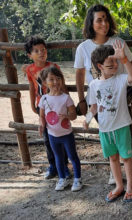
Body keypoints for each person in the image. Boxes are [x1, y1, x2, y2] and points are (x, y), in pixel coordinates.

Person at [74, 4, 132, 184]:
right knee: (109, 133)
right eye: (99, 20)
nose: (104, 23)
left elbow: (131, 69)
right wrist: (81, 100)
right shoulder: (83, 48)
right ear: (91, 23)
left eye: (106, 19)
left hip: (122, 96)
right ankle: (116, 171)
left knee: (127, 134)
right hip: (98, 98)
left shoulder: (118, 42)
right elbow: (79, 75)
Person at [84, 41, 132, 202]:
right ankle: (119, 186)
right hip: (105, 130)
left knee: (126, 158)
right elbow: (93, 107)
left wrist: (124, 60)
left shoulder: (120, 79)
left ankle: (130, 186)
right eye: (110, 64)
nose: (115, 65)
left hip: (121, 127)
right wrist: (87, 120)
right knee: (113, 158)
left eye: (115, 61)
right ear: (99, 66)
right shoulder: (93, 85)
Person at [23, 36, 70, 180]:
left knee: (61, 134)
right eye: (37, 51)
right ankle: (52, 166)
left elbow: (62, 84)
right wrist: (33, 104)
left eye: (43, 50)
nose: (41, 53)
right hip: (42, 107)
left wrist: (68, 103)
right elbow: (32, 87)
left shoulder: (53, 67)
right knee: (47, 137)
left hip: (57, 105)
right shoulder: (30, 69)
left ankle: (64, 166)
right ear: (30, 55)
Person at [38, 66, 82, 192]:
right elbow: (41, 115)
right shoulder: (44, 99)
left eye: (58, 79)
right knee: (58, 157)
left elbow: (73, 116)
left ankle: (78, 179)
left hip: (66, 134)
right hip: (52, 135)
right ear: (45, 83)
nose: (55, 82)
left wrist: (67, 116)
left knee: (72, 156)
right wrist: (41, 125)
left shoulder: (66, 98)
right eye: (51, 79)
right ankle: (62, 178)